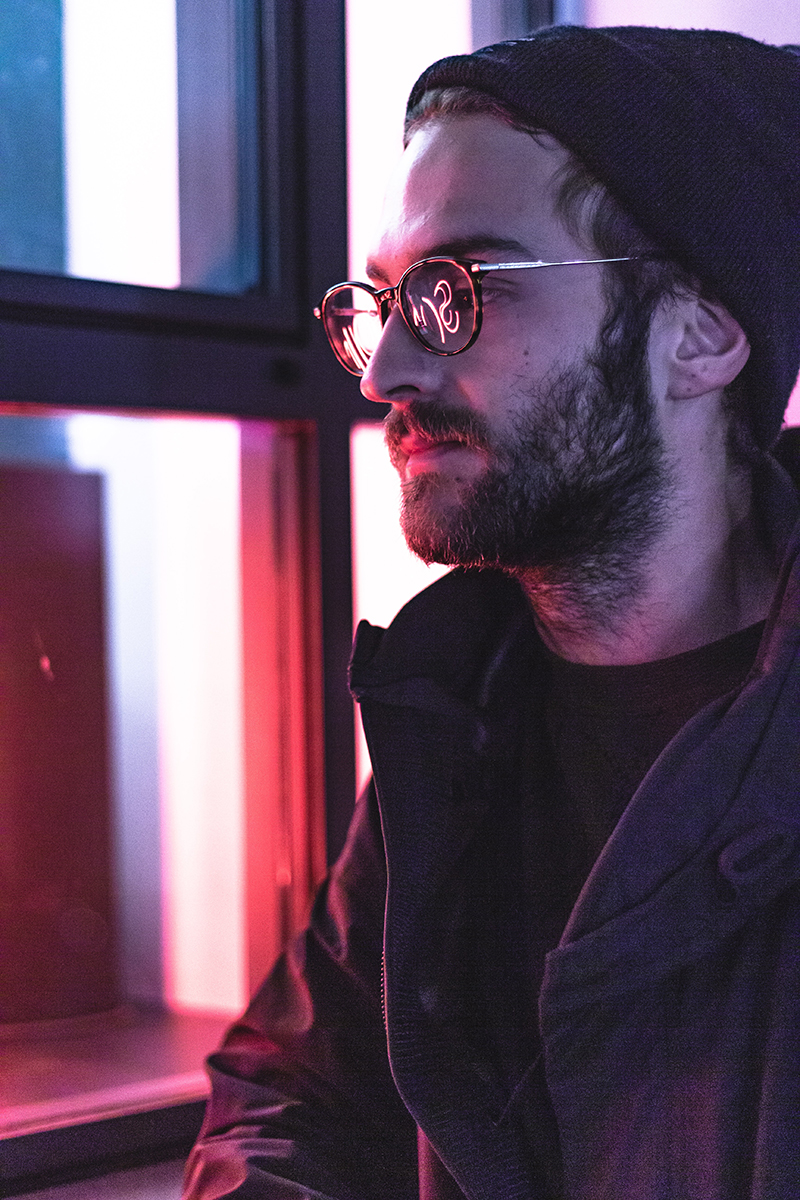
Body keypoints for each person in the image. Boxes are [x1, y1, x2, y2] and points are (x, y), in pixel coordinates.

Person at [183, 25, 800, 1200]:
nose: (385, 373)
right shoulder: (459, 710)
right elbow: (294, 1094)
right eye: (384, 301)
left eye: (458, 290)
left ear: (700, 333)